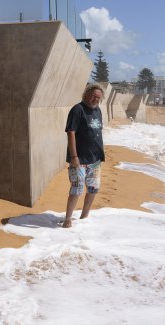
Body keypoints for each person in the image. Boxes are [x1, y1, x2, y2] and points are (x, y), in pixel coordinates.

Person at [62, 84, 105, 228]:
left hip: (95, 160)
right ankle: (68, 219)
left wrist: (100, 155)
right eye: (93, 96)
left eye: (98, 97)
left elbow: (97, 132)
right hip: (79, 160)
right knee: (76, 189)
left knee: (93, 189)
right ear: (86, 94)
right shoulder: (77, 110)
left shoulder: (98, 110)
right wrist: (74, 157)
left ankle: (84, 216)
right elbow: (71, 132)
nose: (95, 99)